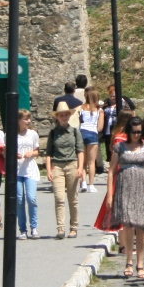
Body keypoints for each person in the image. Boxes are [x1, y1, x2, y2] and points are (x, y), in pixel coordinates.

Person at [108, 117, 144, 279]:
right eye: (134, 132)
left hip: (142, 186)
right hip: (124, 186)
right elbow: (111, 170)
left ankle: (140, 263)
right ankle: (128, 260)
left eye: (139, 132)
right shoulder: (119, 147)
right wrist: (109, 194)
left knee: (141, 226)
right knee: (127, 223)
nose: (136, 135)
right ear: (128, 131)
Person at [46, 102, 85, 239]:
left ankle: (74, 227)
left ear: (69, 115)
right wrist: (48, 169)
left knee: (73, 198)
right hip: (57, 166)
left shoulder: (75, 131)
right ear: (57, 117)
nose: (63, 117)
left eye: (65, 114)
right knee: (59, 198)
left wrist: (80, 168)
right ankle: (60, 228)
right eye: (61, 115)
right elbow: (49, 153)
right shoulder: (53, 133)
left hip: (72, 165)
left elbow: (80, 151)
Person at [15, 110, 40, 240]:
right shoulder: (11, 135)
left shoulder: (32, 134)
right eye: (25, 119)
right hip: (17, 170)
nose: (28, 121)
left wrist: (32, 153)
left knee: (31, 198)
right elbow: (5, 152)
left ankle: (34, 227)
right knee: (19, 200)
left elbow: (37, 151)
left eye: (29, 119)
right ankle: (23, 229)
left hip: (30, 169)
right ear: (19, 120)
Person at [79, 86, 104, 192]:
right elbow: (100, 127)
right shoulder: (99, 110)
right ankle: (92, 185)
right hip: (93, 134)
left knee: (82, 161)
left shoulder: (81, 107)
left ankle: (83, 183)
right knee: (91, 162)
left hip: (81, 133)